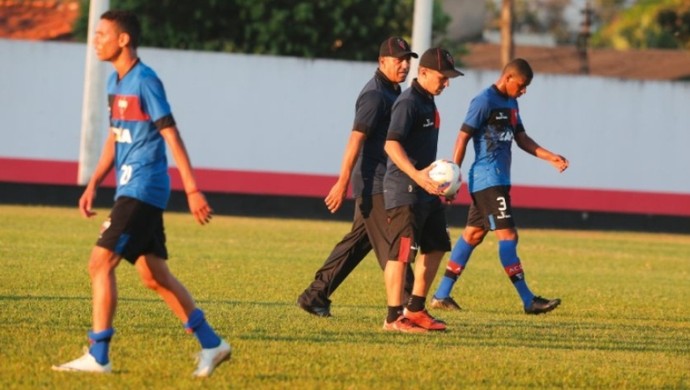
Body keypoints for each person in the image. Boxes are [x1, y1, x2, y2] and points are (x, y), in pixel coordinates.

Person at [52, 10, 230, 377]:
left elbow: (171, 135)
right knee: (153, 275)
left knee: (99, 263)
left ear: (123, 40)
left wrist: (193, 189)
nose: (95, 39)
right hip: (129, 187)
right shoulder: (115, 84)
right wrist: (94, 182)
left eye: (102, 34)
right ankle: (212, 344)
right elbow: (115, 138)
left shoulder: (146, 80)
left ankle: (99, 354)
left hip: (143, 186)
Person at [430, 58, 569, 315]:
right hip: (487, 180)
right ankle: (529, 300)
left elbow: (521, 138)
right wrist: (454, 175)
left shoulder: (511, 103)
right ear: (508, 78)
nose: (524, 90)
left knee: (473, 234)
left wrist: (550, 157)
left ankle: (441, 295)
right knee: (509, 236)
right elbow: (462, 138)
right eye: (522, 85)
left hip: (499, 181)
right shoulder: (484, 101)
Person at [297, 37, 418, 317]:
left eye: (407, 59)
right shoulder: (376, 95)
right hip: (374, 182)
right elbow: (355, 140)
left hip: (379, 180)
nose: (404, 64)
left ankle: (315, 296)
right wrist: (341, 182)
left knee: (357, 243)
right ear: (382, 62)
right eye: (398, 59)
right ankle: (412, 306)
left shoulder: (393, 91)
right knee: (393, 242)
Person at [381, 48, 463, 333]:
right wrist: (416, 175)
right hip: (404, 190)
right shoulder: (409, 102)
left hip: (426, 191)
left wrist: (444, 183)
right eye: (443, 77)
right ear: (424, 72)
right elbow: (391, 144)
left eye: (449, 78)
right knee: (402, 254)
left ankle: (415, 309)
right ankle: (393, 318)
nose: (447, 83)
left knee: (438, 245)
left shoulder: (429, 101)